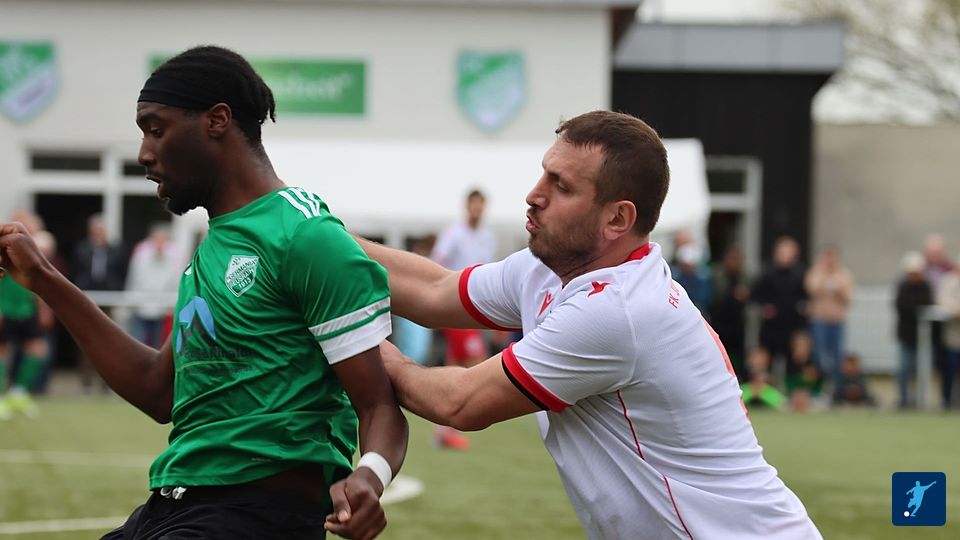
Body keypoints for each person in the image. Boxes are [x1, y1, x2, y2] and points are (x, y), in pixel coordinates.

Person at [0, 45, 407, 540]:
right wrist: (44, 279)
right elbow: (158, 390)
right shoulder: (212, 247)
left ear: (217, 121)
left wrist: (370, 476)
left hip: (257, 517)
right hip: (171, 506)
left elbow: (379, 406)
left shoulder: (305, 236)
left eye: (156, 129)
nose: (143, 153)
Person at [355, 110, 821, 539]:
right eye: (544, 172)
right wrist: (320, 238)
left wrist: (351, 339)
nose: (534, 195)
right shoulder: (552, 266)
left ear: (618, 218)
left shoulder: (617, 310)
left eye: (561, 186)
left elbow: (459, 402)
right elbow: (434, 290)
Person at [429, 189, 497, 450]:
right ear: (467, 206)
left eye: (481, 205)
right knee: (475, 362)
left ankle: (442, 428)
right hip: (455, 304)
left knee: (455, 365)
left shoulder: (487, 237)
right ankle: (454, 421)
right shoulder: (453, 234)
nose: (477, 210)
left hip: (477, 310)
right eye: (474, 205)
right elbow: (437, 264)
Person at [752, 236, 808, 380]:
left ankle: (790, 387)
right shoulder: (767, 273)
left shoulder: (799, 274)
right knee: (766, 360)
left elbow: (804, 298)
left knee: (793, 361)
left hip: (791, 325)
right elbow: (756, 296)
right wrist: (764, 307)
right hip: (771, 327)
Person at [804, 245, 854, 392]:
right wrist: (825, 277)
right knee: (818, 355)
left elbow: (849, 298)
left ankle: (836, 389)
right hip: (819, 320)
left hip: (837, 321)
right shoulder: (815, 272)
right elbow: (811, 290)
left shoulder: (844, 274)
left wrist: (838, 289)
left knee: (837, 356)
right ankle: (819, 387)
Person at [124, 223, 182, 348]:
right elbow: (133, 278)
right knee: (138, 343)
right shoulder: (141, 255)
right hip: (140, 305)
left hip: (161, 308)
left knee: (157, 345)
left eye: (162, 239)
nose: (159, 242)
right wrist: (131, 300)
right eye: (157, 238)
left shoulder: (173, 256)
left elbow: (174, 281)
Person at [894, 251, 933, 409]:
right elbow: (903, 307)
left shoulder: (926, 286)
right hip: (906, 334)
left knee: (921, 370)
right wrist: (916, 309)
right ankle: (903, 399)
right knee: (904, 368)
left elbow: (927, 306)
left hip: (923, 337)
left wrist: (915, 308)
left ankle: (919, 400)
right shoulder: (902, 286)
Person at [711, 244, 750, 381]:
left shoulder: (744, 277)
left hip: (738, 323)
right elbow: (715, 298)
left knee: (740, 355)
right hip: (720, 323)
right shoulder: (717, 276)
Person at [936, 260, 960, 409]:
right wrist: (955, 310)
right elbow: (943, 300)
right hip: (951, 336)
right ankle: (946, 400)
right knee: (949, 370)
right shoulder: (947, 281)